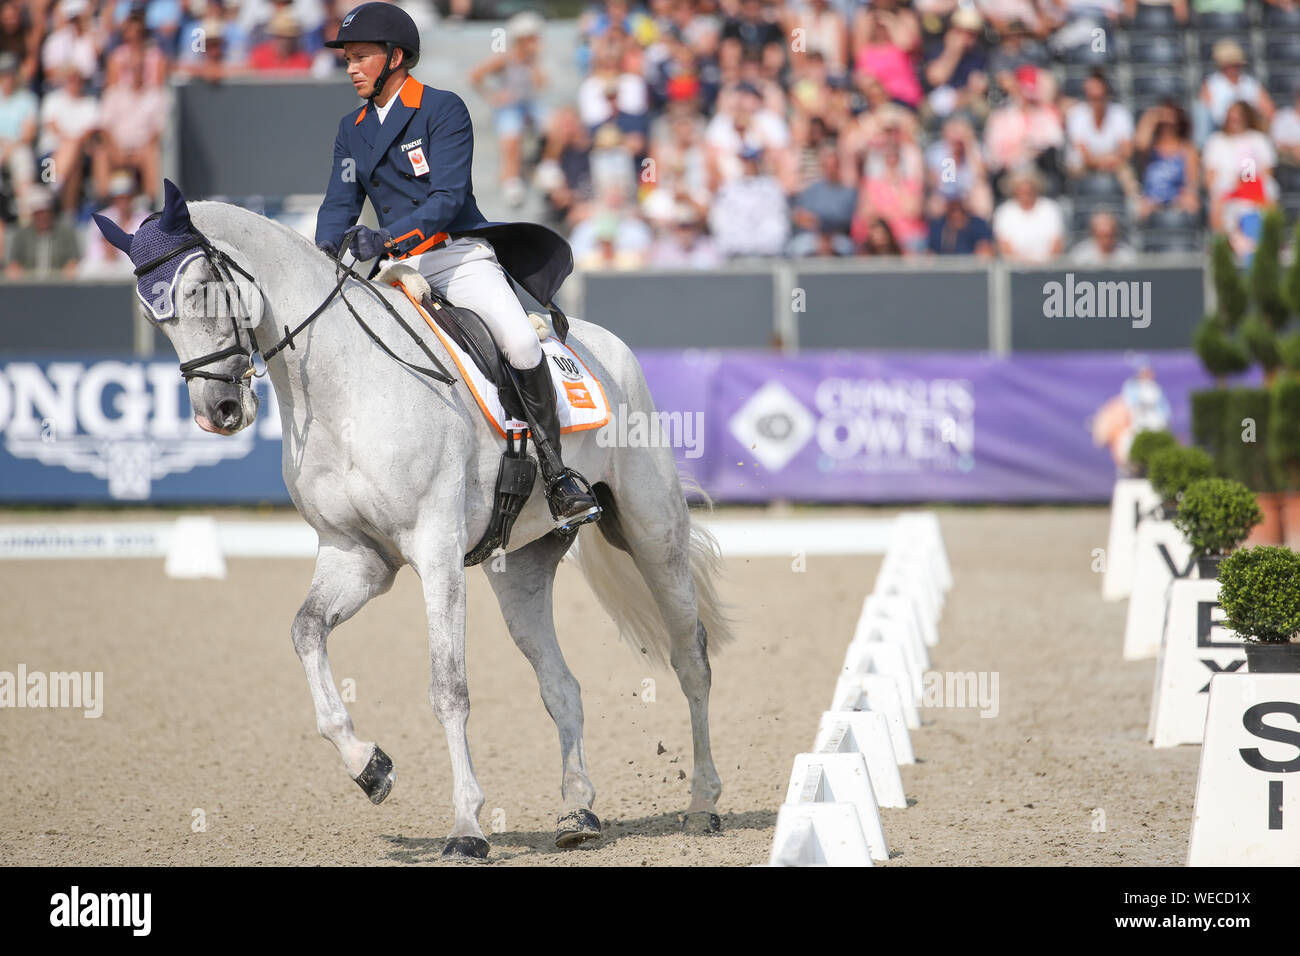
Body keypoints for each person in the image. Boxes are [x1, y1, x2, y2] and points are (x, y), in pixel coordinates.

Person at [314, 2, 601, 533]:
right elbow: (338, 204)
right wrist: (325, 252)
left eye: (360, 57)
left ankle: (558, 475)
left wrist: (388, 237)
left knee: (519, 342)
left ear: (395, 57)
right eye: (347, 58)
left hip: (454, 255)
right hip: (394, 268)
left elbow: (446, 200)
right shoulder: (351, 129)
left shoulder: (442, 109)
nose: (350, 67)